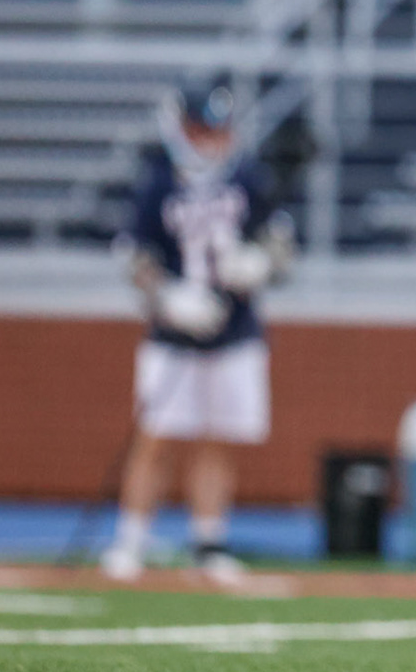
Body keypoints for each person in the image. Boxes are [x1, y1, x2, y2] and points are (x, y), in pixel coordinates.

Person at [99, 75, 294, 586]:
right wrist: (166, 297)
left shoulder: (247, 178)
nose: (212, 140)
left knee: (219, 438)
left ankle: (209, 542)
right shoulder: (158, 180)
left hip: (235, 331)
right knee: (158, 436)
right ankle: (131, 539)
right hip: (175, 334)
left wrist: (258, 265)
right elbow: (133, 254)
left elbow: (280, 244)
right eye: (202, 129)